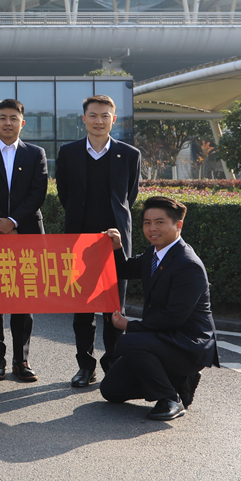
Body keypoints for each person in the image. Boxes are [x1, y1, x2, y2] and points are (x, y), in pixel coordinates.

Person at [102, 196, 218, 420]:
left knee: (128, 341)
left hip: (187, 344)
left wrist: (129, 325)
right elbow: (125, 270)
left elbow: (173, 317)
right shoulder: (153, 254)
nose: (152, 228)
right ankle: (178, 381)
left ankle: (170, 399)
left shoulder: (188, 265)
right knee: (111, 390)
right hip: (161, 338)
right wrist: (116, 247)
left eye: (160, 222)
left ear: (178, 225)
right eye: (147, 223)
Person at [55, 94, 142, 388]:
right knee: (82, 308)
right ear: (84, 119)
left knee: (113, 308)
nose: (99, 121)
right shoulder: (68, 153)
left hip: (115, 242)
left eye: (105, 116)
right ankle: (85, 365)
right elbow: (65, 195)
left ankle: (113, 365)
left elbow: (129, 197)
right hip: (79, 241)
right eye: (93, 115)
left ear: (113, 120)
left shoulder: (129, 154)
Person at [0, 98, 48, 382]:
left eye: (13, 118)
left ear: (22, 123)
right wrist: (0, 223)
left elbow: (38, 193)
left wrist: (14, 222)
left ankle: (21, 359)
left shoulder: (35, 154)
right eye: (2, 118)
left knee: (23, 299)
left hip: (26, 234)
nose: (8, 123)